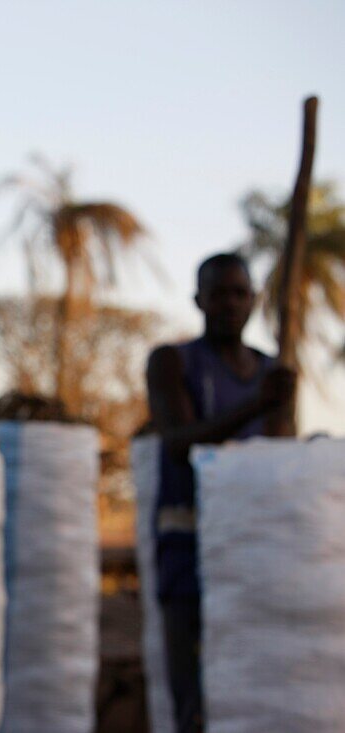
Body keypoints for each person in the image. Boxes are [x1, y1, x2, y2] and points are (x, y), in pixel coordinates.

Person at [145, 252, 296, 733]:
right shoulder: (173, 362)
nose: (229, 304)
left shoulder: (270, 371)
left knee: (253, 677)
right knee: (193, 691)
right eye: (218, 294)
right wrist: (256, 405)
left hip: (253, 549)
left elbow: (280, 456)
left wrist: (276, 405)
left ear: (253, 300)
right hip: (185, 547)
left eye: (239, 293)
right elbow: (176, 442)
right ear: (198, 300)